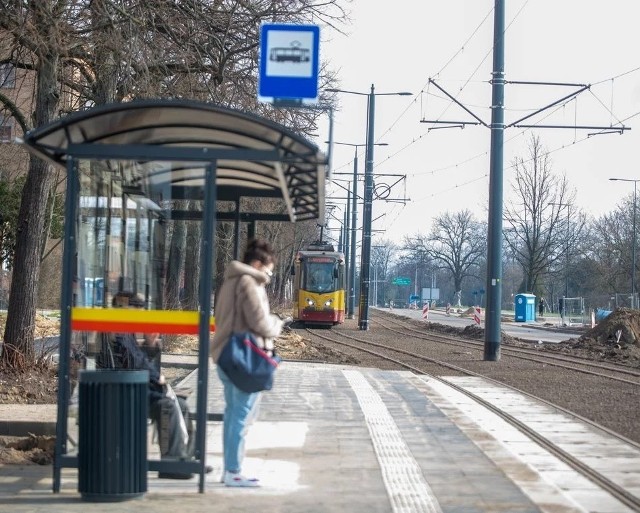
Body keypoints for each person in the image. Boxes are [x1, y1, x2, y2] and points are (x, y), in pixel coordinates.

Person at [107, 291, 212, 479]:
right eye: (137, 311)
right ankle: (171, 464)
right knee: (168, 406)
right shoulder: (118, 333)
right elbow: (134, 363)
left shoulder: (126, 331)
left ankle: (184, 460)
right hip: (126, 392)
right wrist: (158, 378)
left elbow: (138, 360)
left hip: (135, 388)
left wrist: (150, 344)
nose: (141, 316)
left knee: (181, 404)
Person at [210, 239, 284, 488]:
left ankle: (230, 469)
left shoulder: (230, 281)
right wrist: (278, 323)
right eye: (269, 269)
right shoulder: (249, 283)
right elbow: (261, 323)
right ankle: (233, 470)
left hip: (226, 356)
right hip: (244, 359)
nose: (269, 275)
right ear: (257, 264)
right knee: (242, 416)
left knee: (233, 414)